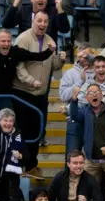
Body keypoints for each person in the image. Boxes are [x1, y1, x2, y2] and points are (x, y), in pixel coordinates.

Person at [12, 11, 67, 180]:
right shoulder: (23, 39)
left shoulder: (50, 40)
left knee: (37, 131)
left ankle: (31, 166)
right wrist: (30, 80)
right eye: (39, 21)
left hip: (40, 95)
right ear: (33, 21)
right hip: (23, 92)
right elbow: (18, 66)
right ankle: (19, 165)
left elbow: (54, 66)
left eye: (45, 21)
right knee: (23, 131)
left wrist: (61, 59)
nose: (42, 24)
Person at [59, 46, 95, 158]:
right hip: (76, 117)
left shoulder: (100, 70)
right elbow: (63, 95)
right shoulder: (70, 73)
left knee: (96, 158)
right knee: (72, 156)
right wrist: (81, 81)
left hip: (96, 118)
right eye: (81, 56)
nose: (83, 58)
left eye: (87, 55)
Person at [2, 0, 70, 44]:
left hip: (47, 50)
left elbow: (65, 29)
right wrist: (15, 5)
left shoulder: (53, 11)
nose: (41, 0)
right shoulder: (24, 10)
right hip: (26, 49)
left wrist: (60, 10)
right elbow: (6, 24)